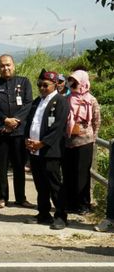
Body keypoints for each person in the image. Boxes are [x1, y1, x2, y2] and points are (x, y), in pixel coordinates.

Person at [0, 54, 34, 209]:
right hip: (1, 132)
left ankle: (21, 198)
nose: (5, 68)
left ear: (13, 65)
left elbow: (28, 104)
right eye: (2, 66)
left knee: (19, 166)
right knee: (1, 166)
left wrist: (16, 121)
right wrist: (5, 120)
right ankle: (2, 198)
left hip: (19, 132)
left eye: (8, 65)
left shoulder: (24, 82)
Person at [25, 69, 69, 230]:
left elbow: (58, 128)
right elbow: (30, 122)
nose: (42, 88)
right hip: (35, 150)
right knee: (40, 184)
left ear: (55, 85)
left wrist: (42, 143)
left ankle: (61, 216)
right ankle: (43, 213)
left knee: (54, 184)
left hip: (50, 151)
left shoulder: (61, 101)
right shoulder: (38, 101)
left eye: (45, 85)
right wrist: (27, 139)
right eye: (39, 85)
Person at [62, 70, 101, 215]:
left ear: (83, 82)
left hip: (85, 141)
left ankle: (84, 204)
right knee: (68, 172)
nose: (73, 83)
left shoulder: (91, 100)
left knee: (82, 173)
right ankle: (70, 203)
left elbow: (96, 120)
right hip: (68, 141)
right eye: (71, 80)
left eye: (76, 81)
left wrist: (93, 137)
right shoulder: (67, 98)